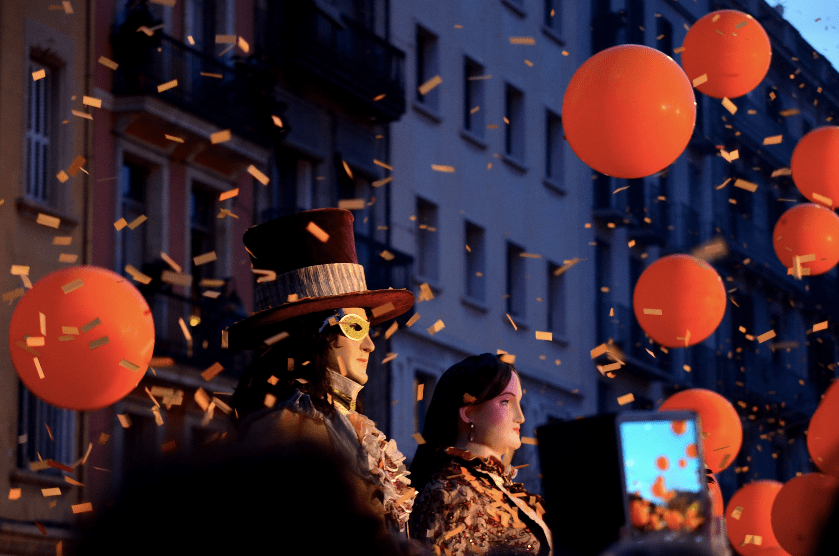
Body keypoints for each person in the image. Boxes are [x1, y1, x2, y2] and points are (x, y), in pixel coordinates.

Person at [225, 208, 417, 533]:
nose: (370, 345)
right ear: (313, 334)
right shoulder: (281, 431)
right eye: (355, 327)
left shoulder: (355, 427)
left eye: (369, 329)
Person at [408, 353, 553, 555]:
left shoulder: (500, 487)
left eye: (519, 403)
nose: (520, 417)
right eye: (505, 402)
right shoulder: (452, 491)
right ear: (468, 413)